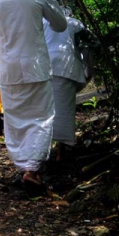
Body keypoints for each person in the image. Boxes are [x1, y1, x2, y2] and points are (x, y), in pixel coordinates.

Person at [0, 0, 67, 194]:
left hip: (9, 71)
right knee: (41, 117)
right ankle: (33, 168)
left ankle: (24, 168)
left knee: (15, 120)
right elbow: (60, 25)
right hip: (36, 67)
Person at [44, 12, 87, 161]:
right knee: (64, 110)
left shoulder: (44, 22)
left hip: (46, 66)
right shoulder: (76, 23)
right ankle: (60, 152)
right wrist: (88, 70)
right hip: (66, 66)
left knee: (46, 109)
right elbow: (86, 46)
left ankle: (44, 151)